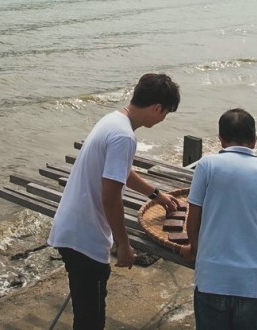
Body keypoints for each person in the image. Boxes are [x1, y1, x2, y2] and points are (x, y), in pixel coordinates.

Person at [47, 73, 182, 330]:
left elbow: (119, 171)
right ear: (156, 108)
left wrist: (155, 194)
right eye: (165, 114)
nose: (164, 119)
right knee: (90, 320)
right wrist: (124, 244)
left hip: (72, 228)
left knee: (86, 311)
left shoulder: (114, 120)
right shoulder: (124, 137)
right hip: (85, 238)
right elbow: (110, 198)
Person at [182, 108, 257, 330]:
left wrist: (195, 249)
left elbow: (193, 221)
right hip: (252, 282)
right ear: (254, 141)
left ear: (220, 139)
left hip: (212, 279)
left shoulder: (206, 166)